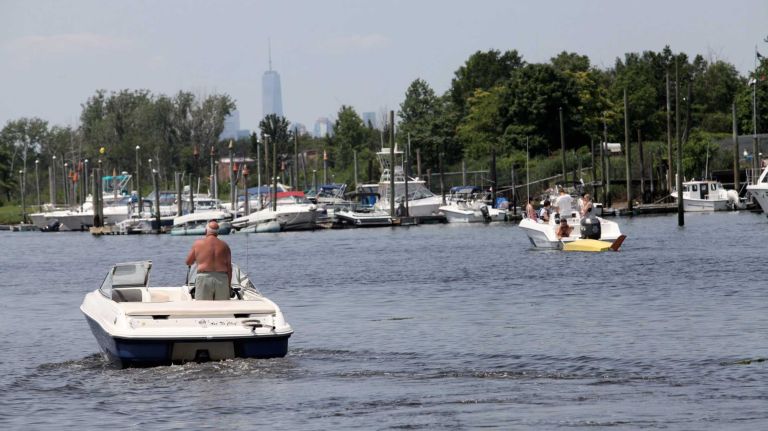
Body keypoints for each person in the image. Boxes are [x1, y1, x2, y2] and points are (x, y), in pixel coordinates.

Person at [185, 220, 232, 300]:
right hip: (222, 279)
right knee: (223, 307)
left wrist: (199, 258)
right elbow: (229, 269)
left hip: (204, 279)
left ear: (206, 230)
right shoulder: (225, 246)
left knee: (202, 308)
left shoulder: (198, 244)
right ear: (217, 232)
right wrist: (228, 285)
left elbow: (188, 262)